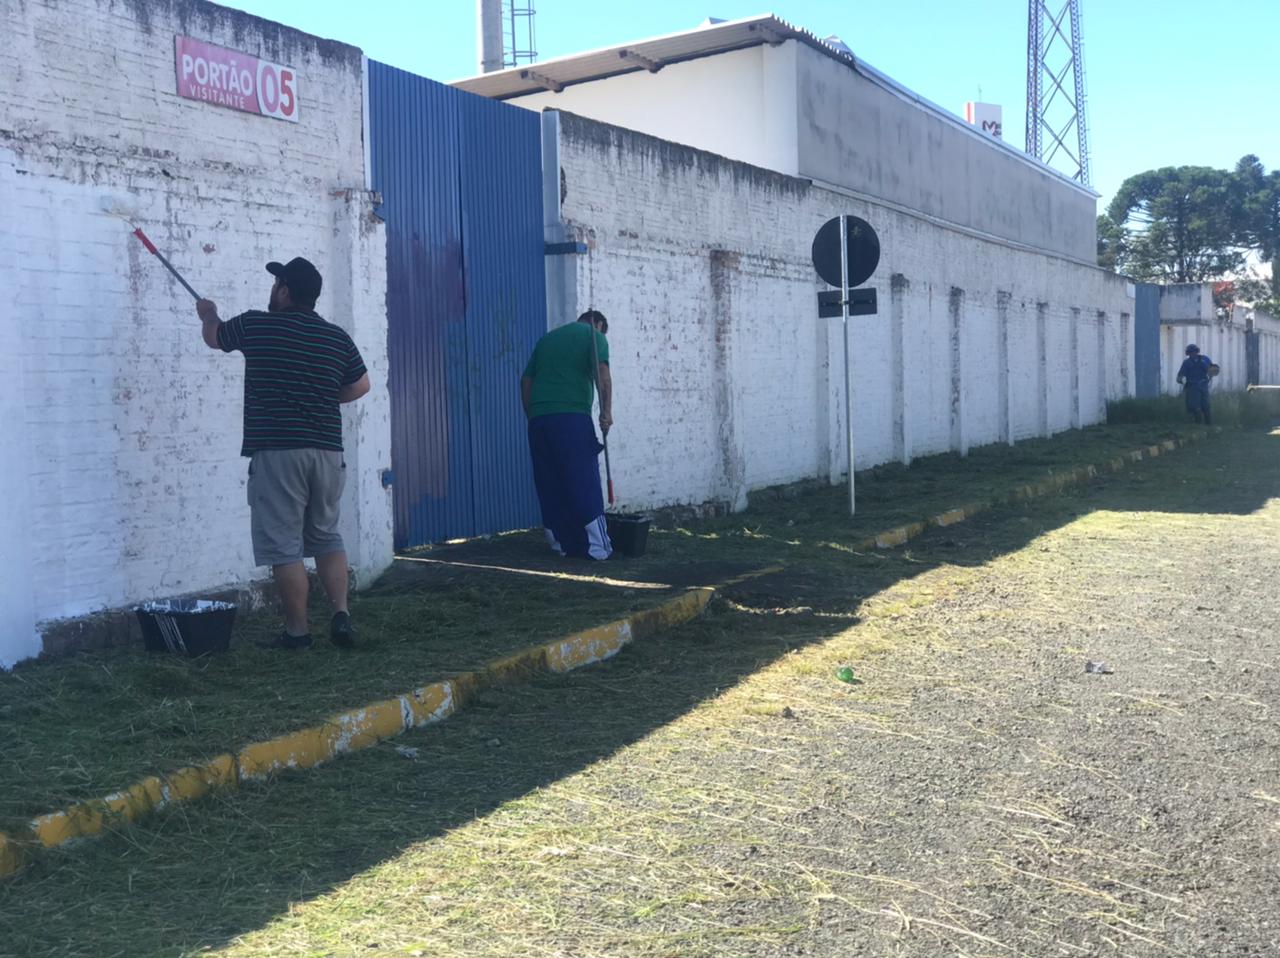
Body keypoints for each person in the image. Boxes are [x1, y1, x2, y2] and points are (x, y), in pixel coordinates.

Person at [195, 257, 371, 650]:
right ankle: (341, 613)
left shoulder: (257, 324)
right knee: (326, 535)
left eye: (277, 284)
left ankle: (297, 632)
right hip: (327, 450)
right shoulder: (335, 337)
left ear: (286, 292)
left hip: (278, 452)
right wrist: (325, 397)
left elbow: (214, 337)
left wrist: (208, 313)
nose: (272, 290)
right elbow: (361, 385)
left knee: (284, 544)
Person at [521, 310, 613, 560]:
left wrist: (534, 415)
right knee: (583, 480)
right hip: (571, 417)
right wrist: (606, 413)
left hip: (539, 419)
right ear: (599, 324)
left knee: (550, 482)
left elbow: (526, 381)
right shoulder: (594, 336)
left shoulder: (547, 340)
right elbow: (602, 376)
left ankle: (561, 545)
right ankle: (598, 549)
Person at [1176, 343, 1215, 425]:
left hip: (1203, 385)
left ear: (1197, 351)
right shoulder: (1187, 363)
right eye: (1191, 352)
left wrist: (1210, 376)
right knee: (1195, 407)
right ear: (1188, 353)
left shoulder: (1205, 360)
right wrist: (1180, 380)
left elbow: (1214, 369)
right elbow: (1180, 374)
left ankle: (1209, 425)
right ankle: (1198, 425)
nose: (1193, 354)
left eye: (1194, 352)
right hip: (1192, 386)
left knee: (1206, 406)